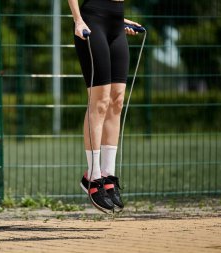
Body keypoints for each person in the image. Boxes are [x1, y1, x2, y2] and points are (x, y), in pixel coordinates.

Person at [68, 0, 142, 212]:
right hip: (92, 21)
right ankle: (92, 176)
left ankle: (108, 174)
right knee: (99, 101)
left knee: (116, 100)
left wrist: (119, 18)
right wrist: (77, 20)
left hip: (116, 21)